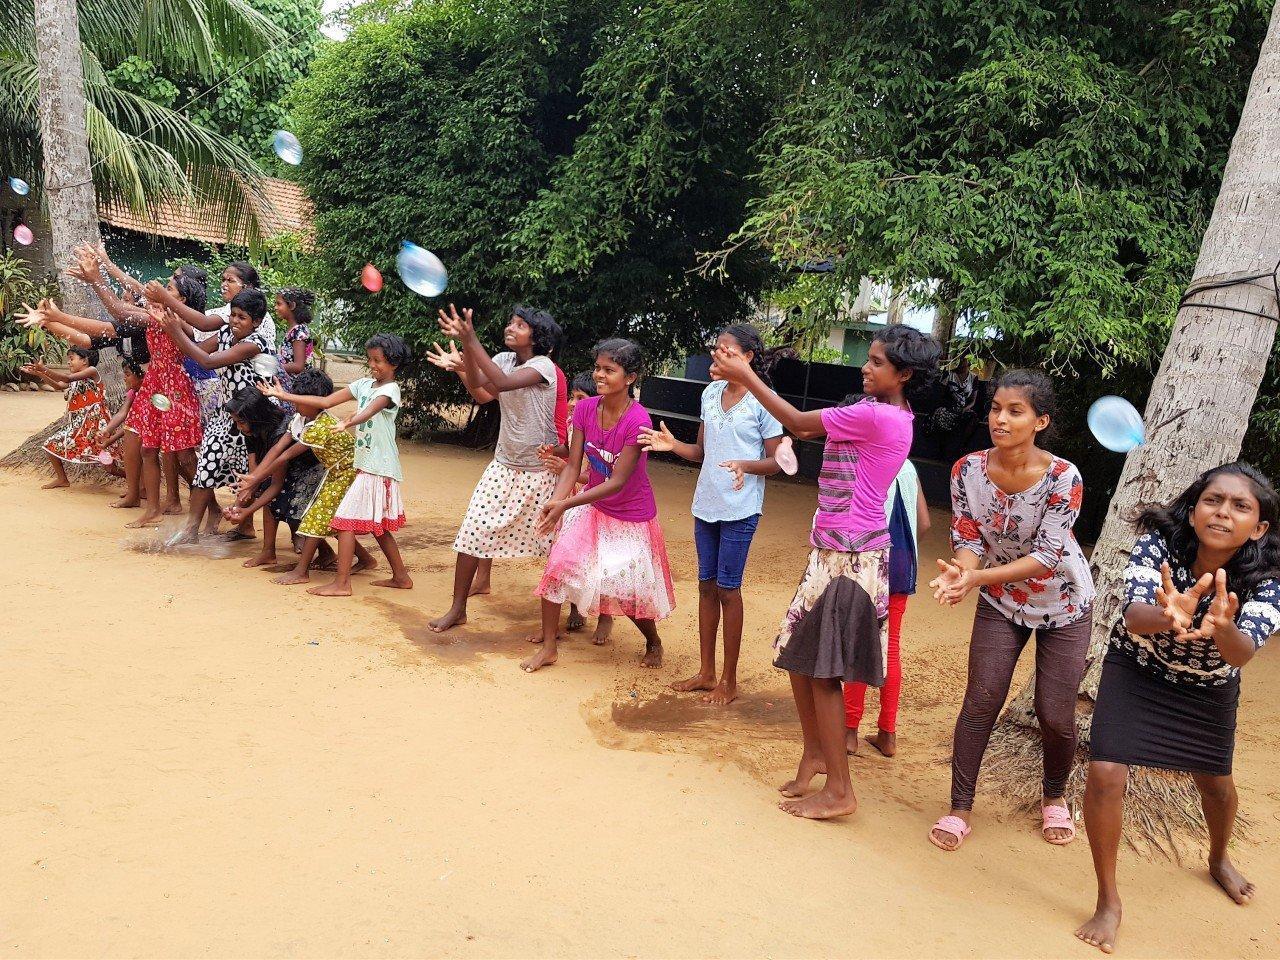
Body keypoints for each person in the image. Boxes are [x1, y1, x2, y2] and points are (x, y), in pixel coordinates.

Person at [709, 325, 942, 819]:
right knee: (798, 656)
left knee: (822, 672)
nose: (866, 366)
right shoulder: (882, 413)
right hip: (832, 550)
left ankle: (841, 791)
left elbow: (796, 421)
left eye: (877, 361)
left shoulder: (877, 416)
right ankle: (817, 752)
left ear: (904, 374)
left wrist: (745, 374)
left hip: (852, 559)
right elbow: (806, 430)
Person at [1074, 462, 1280, 954]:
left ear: (1260, 527)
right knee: (1104, 772)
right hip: (1138, 672)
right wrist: (1172, 612)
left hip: (1208, 690)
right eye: (1213, 500)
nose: (1223, 513)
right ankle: (1108, 901)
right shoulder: (1159, 546)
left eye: (1240, 506)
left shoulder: (1270, 577)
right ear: (1192, 511)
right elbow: (1135, 618)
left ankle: (1217, 858)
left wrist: (1223, 625)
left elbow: (1241, 653)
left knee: (1217, 786)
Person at [928, 370, 1094, 851]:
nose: (1000, 419)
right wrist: (962, 572)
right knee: (981, 700)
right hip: (1001, 602)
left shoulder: (1064, 478)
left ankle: (1054, 797)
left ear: (1040, 421)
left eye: (1015, 411)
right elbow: (968, 537)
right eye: (996, 408)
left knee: (1055, 713)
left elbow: (1047, 554)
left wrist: (977, 578)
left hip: (1063, 604)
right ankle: (960, 807)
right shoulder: (966, 470)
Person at [639, 323, 785, 705]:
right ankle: (706, 672)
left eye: (726, 351)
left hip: (740, 508)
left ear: (748, 358)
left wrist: (746, 466)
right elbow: (702, 453)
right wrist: (672, 446)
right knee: (706, 585)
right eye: (715, 349)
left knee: (728, 588)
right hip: (706, 504)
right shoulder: (710, 394)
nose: (716, 356)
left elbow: (778, 463)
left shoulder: (765, 401)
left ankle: (729, 680)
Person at [525, 339, 674, 673]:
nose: (599, 375)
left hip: (630, 516)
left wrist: (565, 504)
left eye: (609, 370)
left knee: (626, 593)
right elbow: (574, 465)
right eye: (598, 368)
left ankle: (653, 641)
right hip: (591, 509)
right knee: (557, 568)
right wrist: (557, 502)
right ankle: (549, 647)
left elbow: (617, 482)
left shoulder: (638, 420)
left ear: (630, 377)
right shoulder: (587, 409)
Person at [426, 304, 563, 632]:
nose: (511, 327)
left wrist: (471, 339)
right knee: (472, 533)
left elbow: (500, 383)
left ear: (538, 337)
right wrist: (466, 357)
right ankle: (458, 608)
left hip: (541, 470)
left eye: (521, 325)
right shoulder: (502, 359)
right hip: (503, 466)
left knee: (557, 547)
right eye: (510, 321)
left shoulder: (543, 366)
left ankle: (573, 609)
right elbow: (481, 391)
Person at [261, 333, 413, 596]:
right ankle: (401, 577)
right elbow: (325, 402)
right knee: (379, 527)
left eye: (378, 360)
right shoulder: (365, 384)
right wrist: (284, 395)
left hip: (378, 466)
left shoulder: (391, 390)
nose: (372, 364)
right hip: (366, 465)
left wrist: (349, 422)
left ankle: (342, 584)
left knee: (345, 522)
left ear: (394, 363)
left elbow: (372, 410)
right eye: (370, 359)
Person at [149, 284, 273, 545]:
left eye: (242, 317)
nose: (235, 321)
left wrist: (175, 329)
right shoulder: (227, 332)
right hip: (228, 413)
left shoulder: (255, 343)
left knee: (247, 474)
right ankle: (192, 528)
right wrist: (175, 329)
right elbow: (197, 351)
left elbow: (207, 362)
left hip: (254, 419)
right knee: (206, 464)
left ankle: (247, 526)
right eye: (233, 315)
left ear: (257, 322)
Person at [844, 457, 930, 757]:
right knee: (890, 646)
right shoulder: (907, 466)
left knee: (857, 645)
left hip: (868, 562)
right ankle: (888, 734)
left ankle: (849, 731)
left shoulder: (863, 461)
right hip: (901, 565)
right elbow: (925, 522)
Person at [234, 369, 336, 570]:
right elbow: (276, 452)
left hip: (327, 472)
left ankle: (304, 568)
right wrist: (252, 481)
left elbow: (283, 457)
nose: (294, 406)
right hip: (307, 471)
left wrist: (249, 496)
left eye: (298, 401)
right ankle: (319, 556)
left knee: (309, 514)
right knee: (292, 507)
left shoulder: (314, 427)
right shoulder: (297, 420)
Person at [21, 347, 111, 489]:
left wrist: (43, 369)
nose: (69, 362)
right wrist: (39, 372)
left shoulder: (92, 371)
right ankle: (62, 479)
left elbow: (66, 378)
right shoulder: (74, 378)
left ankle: (136, 484)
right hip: (78, 426)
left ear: (85, 360)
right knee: (50, 444)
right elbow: (58, 385)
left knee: (109, 465)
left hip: (95, 426)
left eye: (72, 358)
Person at [94, 358, 145, 482]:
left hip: (146, 435)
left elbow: (130, 425)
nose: (124, 378)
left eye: (127, 374)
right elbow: (123, 414)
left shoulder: (147, 396)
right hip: (135, 433)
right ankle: (138, 490)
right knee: (136, 457)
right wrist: (107, 431)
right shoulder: (133, 393)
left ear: (142, 377)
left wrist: (110, 438)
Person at [274, 287, 316, 392]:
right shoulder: (294, 330)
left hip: (295, 388)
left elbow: (298, 366)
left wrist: (274, 368)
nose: (275, 307)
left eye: (279, 304)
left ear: (292, 306)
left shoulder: (299, 332)